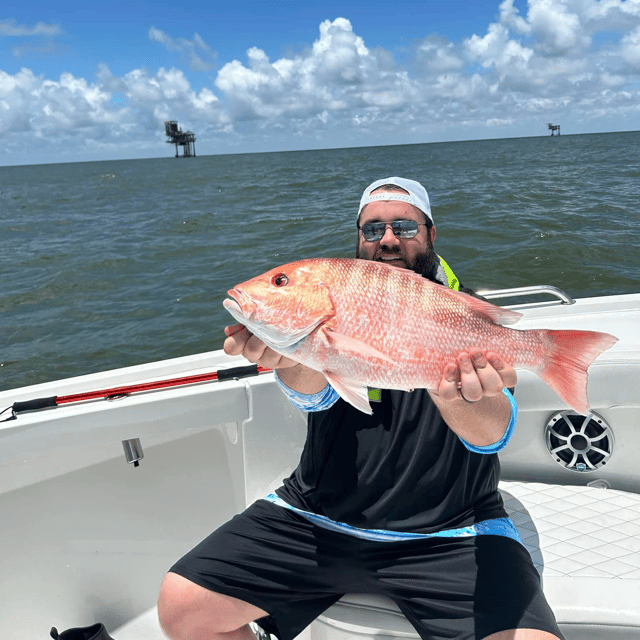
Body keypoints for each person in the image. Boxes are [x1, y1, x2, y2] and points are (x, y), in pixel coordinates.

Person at [158, 177, 564, 640]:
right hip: (317, 519)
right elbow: (315, 393)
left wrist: (458, 397)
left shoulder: (465, 314)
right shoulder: (329, 315)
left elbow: (493, 435)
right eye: (372, 230)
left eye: (404, 226)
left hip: (451, 530)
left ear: (431, 234)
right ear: (358, 239)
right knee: (182, 608)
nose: (388, 239)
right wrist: (291, 357)